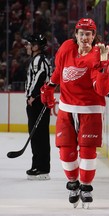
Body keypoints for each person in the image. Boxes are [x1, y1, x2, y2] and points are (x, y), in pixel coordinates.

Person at [40, 18, 109, 208]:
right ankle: (73, 183)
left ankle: (86, 186)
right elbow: (59, 70)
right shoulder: (66, 47)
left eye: (89, 34)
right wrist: (50, 86)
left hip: (91, 110)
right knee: (65, 151)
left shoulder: (99, 53)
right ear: (76, 34)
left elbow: (103, 90)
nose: (85, 37)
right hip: (66, 108)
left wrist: (104, 66)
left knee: (87, 151)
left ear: (94, 36)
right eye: (82, 33)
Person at [24, 33, 52, 180]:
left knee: (38, 135)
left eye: (29, 44)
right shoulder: (39, 59)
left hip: (37, 102)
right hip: (38, 101)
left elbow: (41, 77)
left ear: (36, 46)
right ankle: (41, 166)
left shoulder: (39, 60)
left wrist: (32, 96)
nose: (27, 46)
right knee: (39, 134)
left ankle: (40, 167)